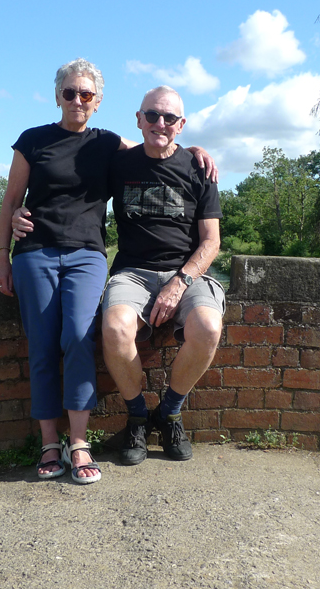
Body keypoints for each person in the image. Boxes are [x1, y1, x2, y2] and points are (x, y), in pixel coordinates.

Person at [0, 60, 216, 484]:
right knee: (42, 345)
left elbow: (159, 149)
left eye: (86, 94)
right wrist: (3, 255)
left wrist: (196, 152)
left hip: (86, 254)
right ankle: (49, 442)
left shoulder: (109, 144)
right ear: (57, 95)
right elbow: (11, 200)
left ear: (98, 102)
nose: (77, 100)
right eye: (70, 93)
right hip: (35, 252)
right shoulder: (33, 140)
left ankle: (79, 444)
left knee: (79, 338)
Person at [101, 86, 224, 466]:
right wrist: (26, 214)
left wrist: (179, 281)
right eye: (152, 115)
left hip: (187, 272)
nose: (160, 123)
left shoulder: (198, 169)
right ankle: (138, 415)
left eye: (170, 118)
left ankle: (170, 412)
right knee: (116, 327)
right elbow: (70, 191)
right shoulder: (119, 164)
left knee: (208, 327)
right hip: (132, 272)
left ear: (181, 124)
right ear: (138, 119)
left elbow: (211, 241)